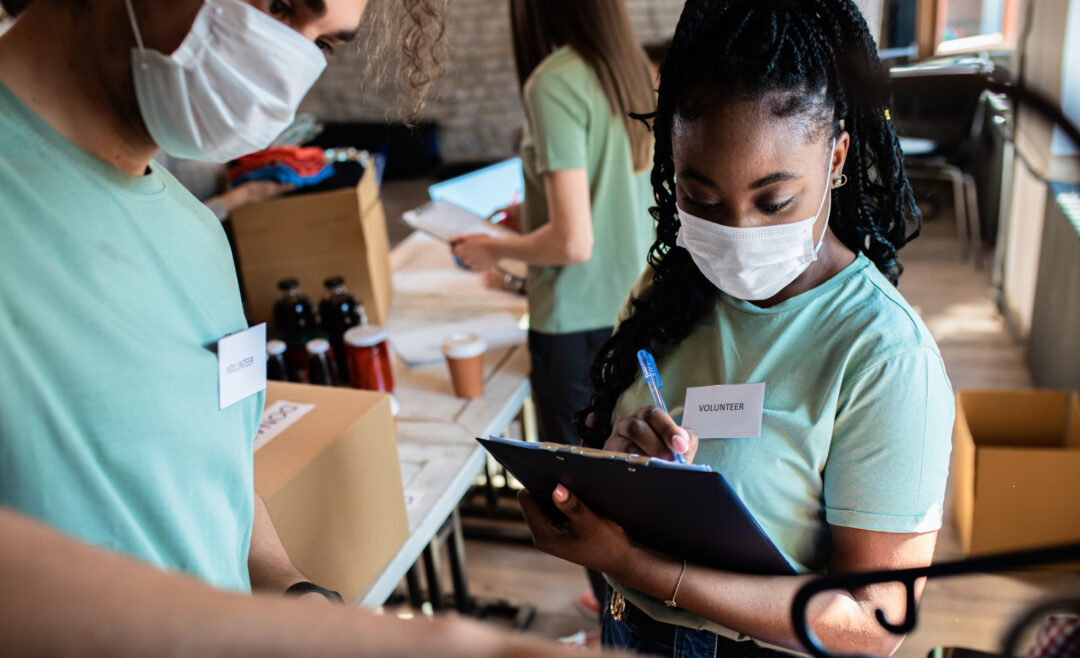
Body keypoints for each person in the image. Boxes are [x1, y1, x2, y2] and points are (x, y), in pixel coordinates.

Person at [0, 0, 573, 654]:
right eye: (279, 6)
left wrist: (293, 590)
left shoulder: (198, 239)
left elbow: (216, 478)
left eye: (323, 44)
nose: (284, 65)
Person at [517, 0, 954, 655]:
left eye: (774, 200)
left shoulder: (886, 357)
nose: (739, 234)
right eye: (702, 199)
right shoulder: (667, 292)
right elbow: (616, 437)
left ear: (836, 157)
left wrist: (640, 567)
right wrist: (616, 463)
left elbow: (871, 625)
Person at [450, 0, 657, 615]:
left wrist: (490, 246)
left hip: (575, 323)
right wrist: (526, 218)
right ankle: (632, 610)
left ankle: (615, 623)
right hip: (640, 304)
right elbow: (611, 194)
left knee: (575, 498)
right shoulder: (631, 69)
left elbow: (572, 241)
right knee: (635, 481)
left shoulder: (554, 80)